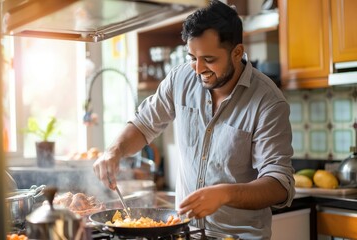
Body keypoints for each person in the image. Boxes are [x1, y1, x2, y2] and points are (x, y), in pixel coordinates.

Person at [93, 1, 295, 239]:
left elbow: (280, 185)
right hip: (186, 232)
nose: (198, 69)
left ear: (237, 52)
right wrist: (114, 151)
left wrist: (225, 194)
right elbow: (143, 124)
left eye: (209, 59)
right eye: (192, 57)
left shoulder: (268, 101)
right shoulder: (181, 79)